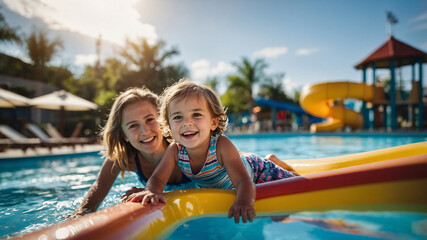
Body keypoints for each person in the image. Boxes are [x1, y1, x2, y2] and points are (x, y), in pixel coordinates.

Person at [126, 80, 296, 224]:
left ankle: (273, 162)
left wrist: (244, 201)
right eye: (178, 117)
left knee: (288, 201)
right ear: (169, 126)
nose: (187, 123)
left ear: (213, 123)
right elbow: (157, 179)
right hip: (238, 175)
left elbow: (244, 181)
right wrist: (151, 191)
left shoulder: (221, 145)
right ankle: (272, 159)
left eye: (196, 115)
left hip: (259, 172)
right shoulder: (175, 151)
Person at [68, 87, 195, 219]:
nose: (145, 131)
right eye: (133, 125)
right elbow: (88, 205)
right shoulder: (123, 159)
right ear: (124, 135)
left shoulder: (187, 149)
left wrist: (151, 191)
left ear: (163, 120)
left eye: (150, 120)